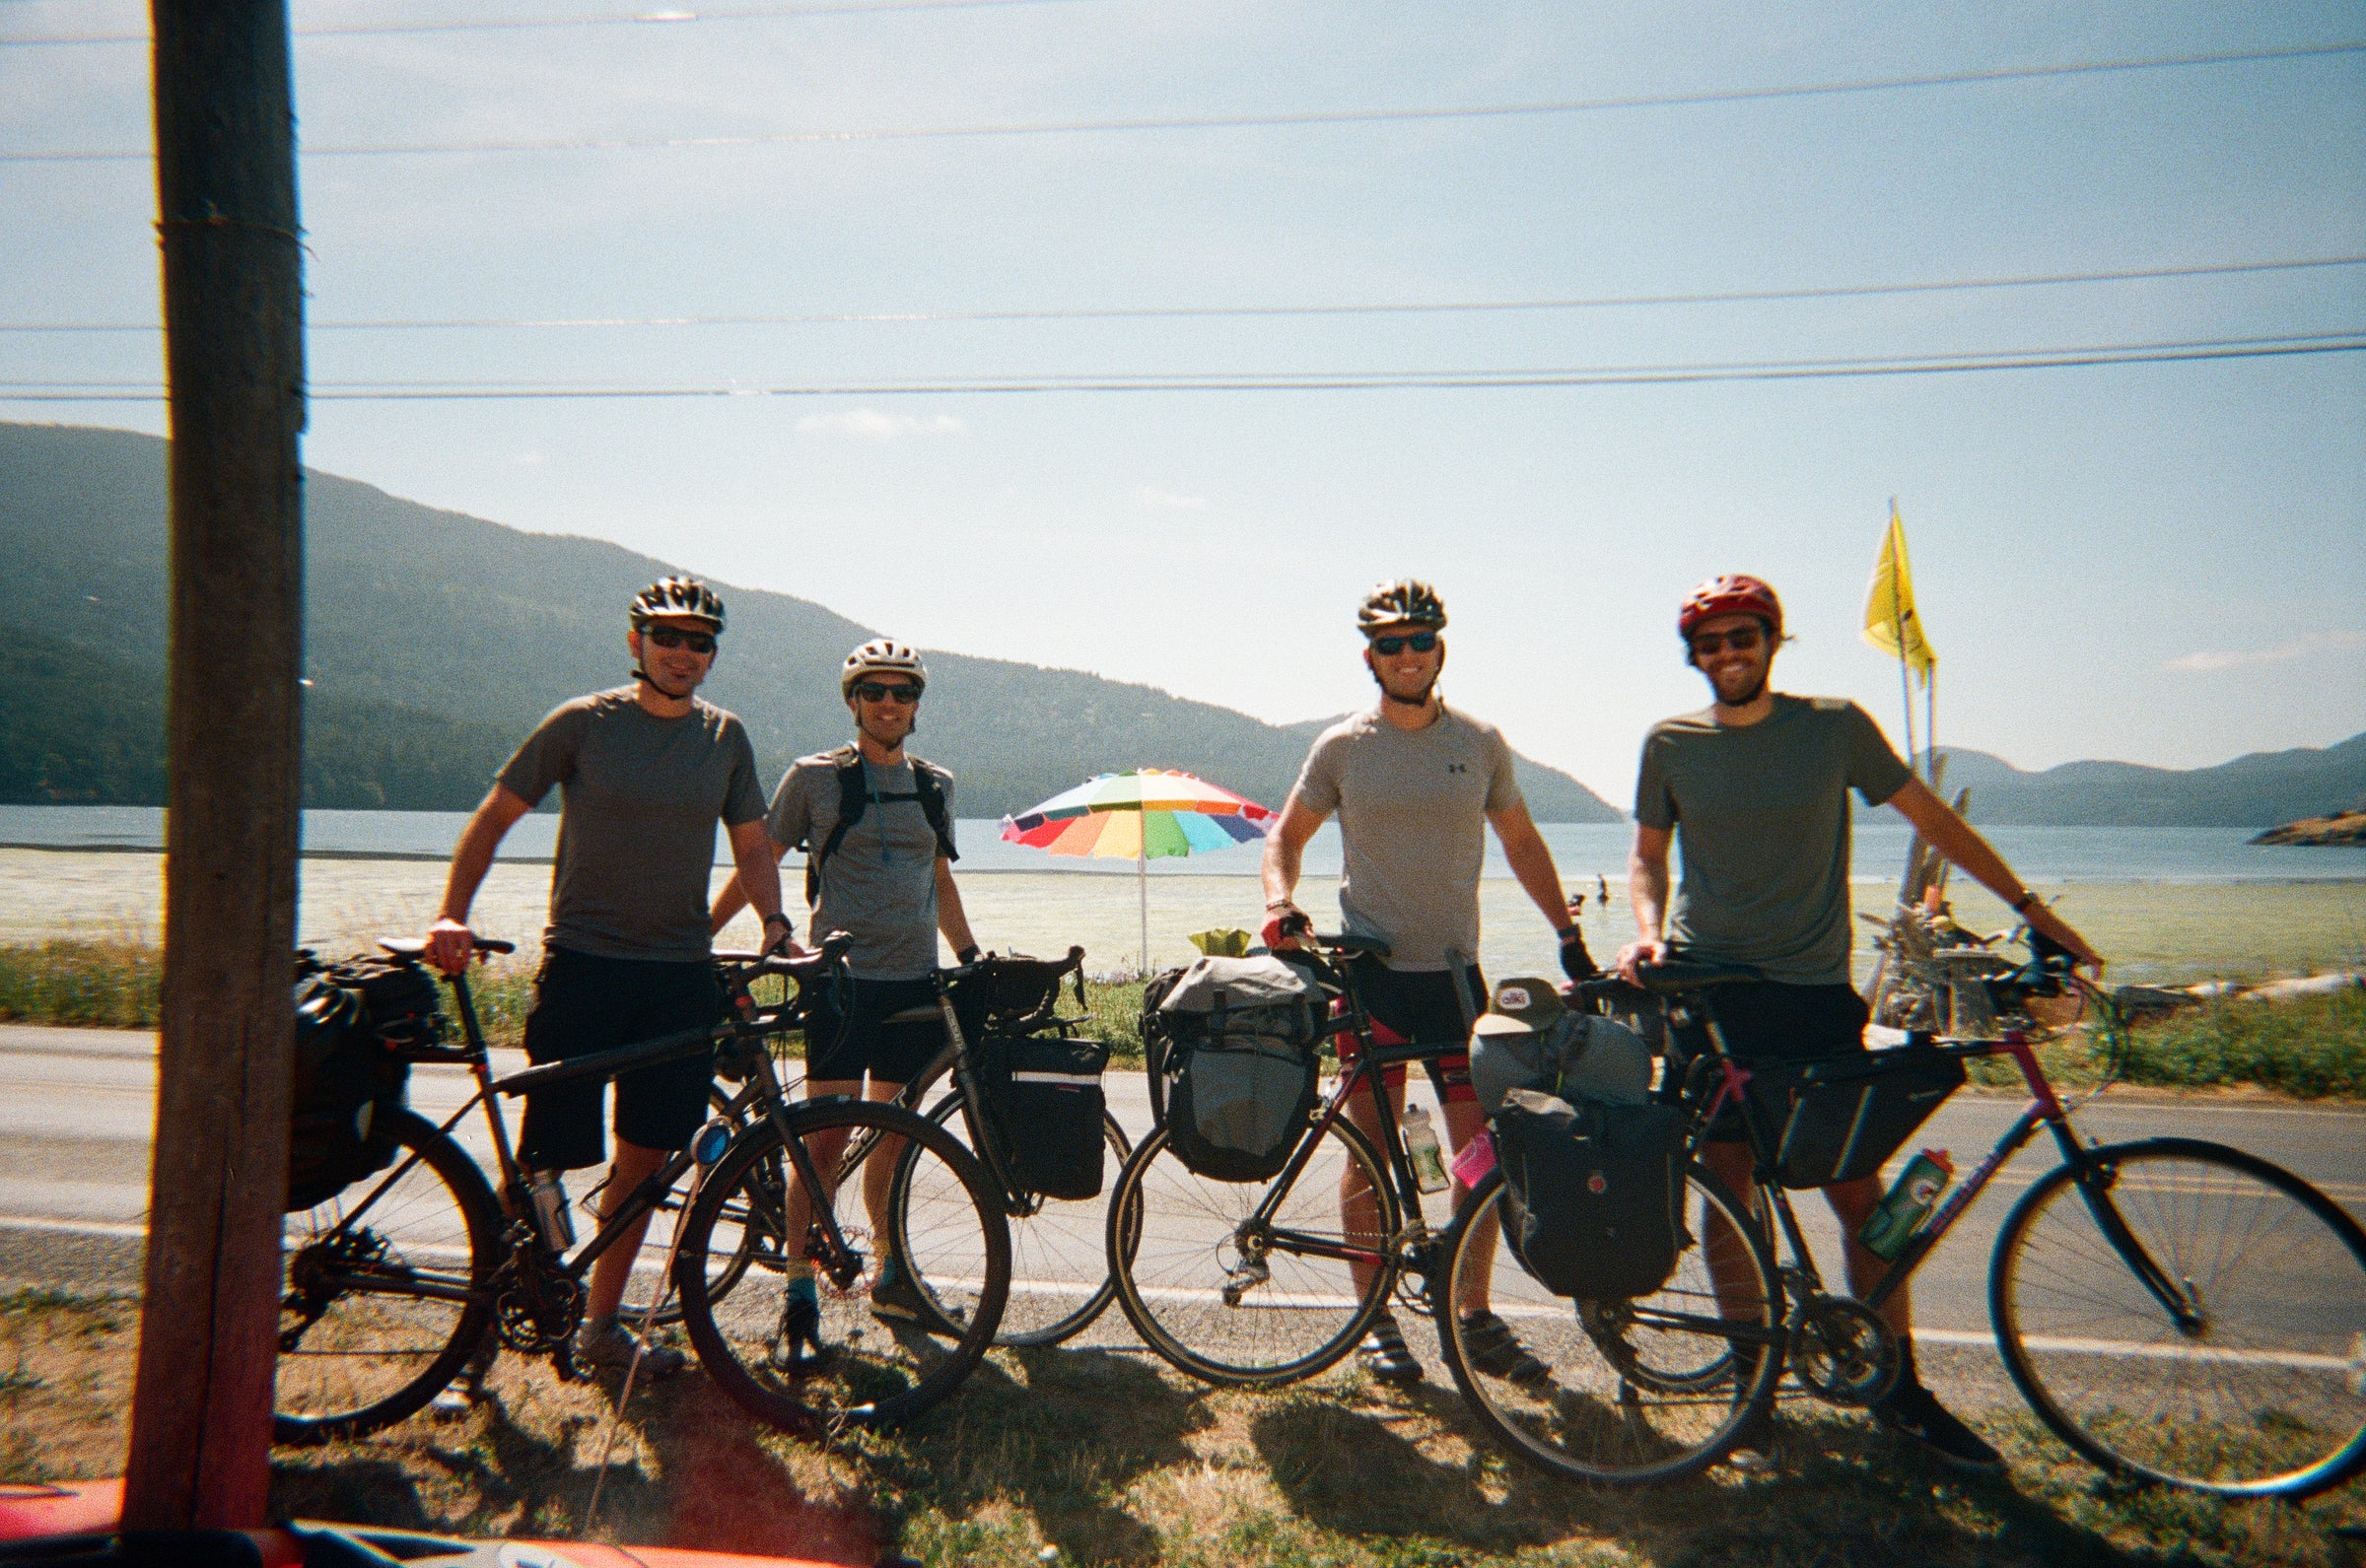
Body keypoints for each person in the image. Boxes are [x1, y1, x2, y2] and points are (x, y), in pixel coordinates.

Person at [1615, 573, 2103, 1471]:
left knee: (1859, 1193)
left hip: (1814, 995)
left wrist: (2033, 909)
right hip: (1709, 995)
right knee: (1730, 1190)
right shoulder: (1670, 743)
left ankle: (1898, 1388)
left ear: (1772, 640)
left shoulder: (1834, 727)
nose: (1729, 653)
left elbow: (1933, 819)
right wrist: (1645, 932)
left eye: (1744, 636)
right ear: (1696, 655)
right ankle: (1751, 1391)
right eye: (1712, 642)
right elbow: (1647, 858)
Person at [426, 576, 792, 1375]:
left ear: (713, 654)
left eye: (700, 641)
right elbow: (493, 819)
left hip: (675, 975)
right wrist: (453, 912)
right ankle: (477, 1341)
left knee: (646, 1160)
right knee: (543, 1159)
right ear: (635, 643)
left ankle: (598, 1328)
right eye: (668, 635)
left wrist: (774, 925)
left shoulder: (725, 737)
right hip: (585, 966)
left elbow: (754, 845)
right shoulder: (582, 724)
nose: (683, 652)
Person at [1262, 579, 1595, 1386]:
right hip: (1369, 976)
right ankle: (1374, 1320)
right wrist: (1279, 900)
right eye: (1390, 643)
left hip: (1453, 979)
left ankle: (1470, 1316)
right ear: (1369, 656)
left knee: (1480, 1157)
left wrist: (1569, 936)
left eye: (1419, 640)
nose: (1406, 654)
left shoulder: (1479, 742)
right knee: (1370, 1152)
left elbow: (1520, 842)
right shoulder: (1343, 747)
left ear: (1441, 649)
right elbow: (1286, 837)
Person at [711, 638, 983, 1354]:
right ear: (854, 701)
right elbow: (757, 861)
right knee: (824, 1140)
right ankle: (799, 1288)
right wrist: (699, 933)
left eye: (901, 692)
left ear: (916, 704)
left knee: (894, 1138)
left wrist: (971, 956)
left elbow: (940, 879)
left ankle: (892, 1273)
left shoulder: (937, 785)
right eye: (875, 691)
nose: (888, 703)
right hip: (837, 984)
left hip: (912, 985)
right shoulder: (814, 779)